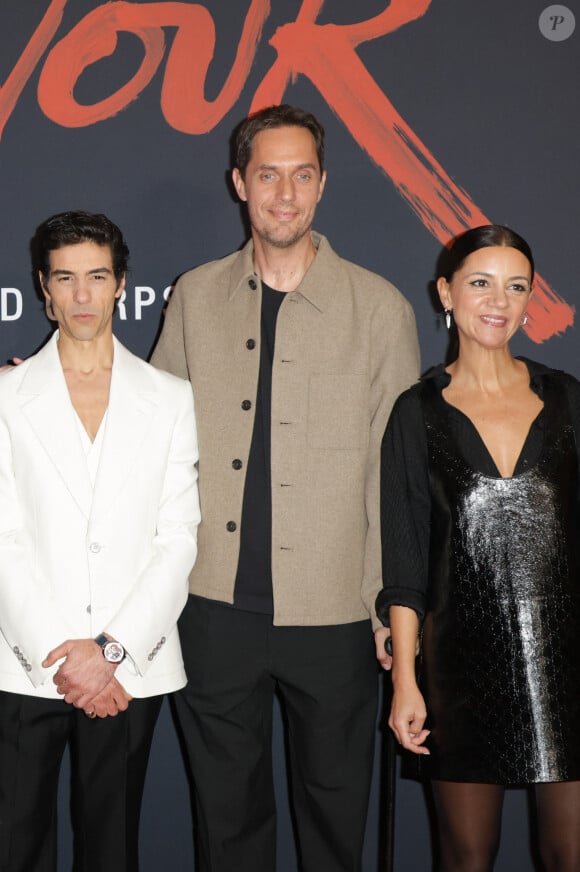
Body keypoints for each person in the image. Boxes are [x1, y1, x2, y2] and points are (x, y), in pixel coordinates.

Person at [151, 104, 420, 871]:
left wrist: (386, 609)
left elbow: (391, 481)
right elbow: (155, 440)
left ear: (323, 185)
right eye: (268, 174)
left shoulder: (380, 310)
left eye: (302, 175)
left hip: (336, 616)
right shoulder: (194, 296)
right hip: (213, 612)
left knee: (335, 828)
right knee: (226, 830)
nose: (285, 193)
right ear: (240, 183)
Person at [0, 211, 201, 872]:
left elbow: (177, 541)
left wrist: (109, 652)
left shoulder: (171, 399)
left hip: (127, 670)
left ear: (120, 285)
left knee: (110, 849)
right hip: (23, 665)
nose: (82, 296)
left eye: (96, 277)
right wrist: (64, 661)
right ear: (43, 287)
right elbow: (5, 539)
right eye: (66, 279)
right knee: (15, 844)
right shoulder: (5, 397)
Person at [376, 224, 580, 872]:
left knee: (568, 855)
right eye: (481, 283)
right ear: (446, 292)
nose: (499, 301)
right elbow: (406, 563)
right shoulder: (417, 413)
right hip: (460, 673)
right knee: (465, 859)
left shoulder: (569, 400)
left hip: (568, 666)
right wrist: (406, 683)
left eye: (516, 286)